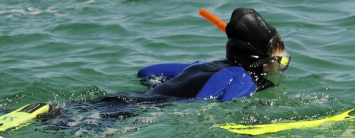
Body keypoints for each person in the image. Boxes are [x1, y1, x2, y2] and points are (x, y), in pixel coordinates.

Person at [108, 7, 290, 104]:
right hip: (140, 111)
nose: (282, 67)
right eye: (280, 61)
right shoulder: (243, 78)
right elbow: (228, 104)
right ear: (261, 62)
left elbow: (146, 72)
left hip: (125, 98)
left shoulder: (201, 66)